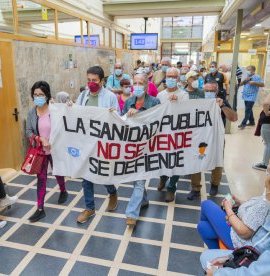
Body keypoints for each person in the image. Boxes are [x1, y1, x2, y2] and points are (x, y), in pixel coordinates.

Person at [198, 149, 270, 250]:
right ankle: (219, 260)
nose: (267, 172)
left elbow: (244, 233)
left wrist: (228, 209)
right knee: (203, 227)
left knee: (206, 204)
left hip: (239, 240)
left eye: (269, 169)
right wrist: (240, 202)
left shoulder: (268, 202)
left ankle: (230, 257)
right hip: (240, 229)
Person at [69, 66, 120, 223]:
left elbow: (118, 119)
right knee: (86, 177)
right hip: (86, 143)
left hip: (103, 143)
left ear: (102, 81)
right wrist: (71, 108)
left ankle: (112, 192)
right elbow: (77, 115)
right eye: (89, 80)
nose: (91, 83)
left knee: (103, 173)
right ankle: (89, 208)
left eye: (95, 81)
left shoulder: (110, 97)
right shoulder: (83, 95)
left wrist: (113, 113)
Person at [26, 81, 68, 222]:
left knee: (58, 172)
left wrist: (69, 107)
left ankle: (63, 190)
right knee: (41, 179)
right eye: (35, 94)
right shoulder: (32, 112)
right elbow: (28, 131)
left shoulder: (54, 109)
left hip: (55, 150)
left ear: (47, 95)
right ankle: (39, 209)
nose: (38, 97)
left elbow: (65, 124)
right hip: (40, 151)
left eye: (41, 94)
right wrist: (39, 139)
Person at [187, 82, 238, 200]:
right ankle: (195, 188)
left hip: (217, 138)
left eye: (211, 91)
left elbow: (234, 118)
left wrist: (222, 106)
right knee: (197, 159)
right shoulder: (198, 102)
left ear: (216, 92)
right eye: (206, 91)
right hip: (200, 138)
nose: (209, 93)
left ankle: (215, 184)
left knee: (217, 160)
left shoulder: (221, 102)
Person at [122, 73, 160, 226]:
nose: (137, 86)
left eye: (141, 83)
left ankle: (132, 214)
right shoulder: (129, 101)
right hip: (132, 146)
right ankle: (143, 200)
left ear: (146, 86)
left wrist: (140, 115)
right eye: (135, 83)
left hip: (147, 147)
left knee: (139, 180)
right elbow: (122, 122)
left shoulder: (154, 101)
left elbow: (158, 122)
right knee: (135, 177)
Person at [156, 67, 189, 199]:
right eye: (168, 76)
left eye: (173, 77)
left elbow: (187, 114)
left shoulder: (184, 95)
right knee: (162, 158)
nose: (170, 79)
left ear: (178, 79)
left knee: (176, 161)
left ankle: (171, 187)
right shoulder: (160, 95)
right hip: (163, 133)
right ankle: (163, 179)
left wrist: (177, 104)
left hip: (177, 134)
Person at [238, 65, 264, 129]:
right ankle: (252, 122)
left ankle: (243, 124)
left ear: (253, 70)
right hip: (245, 95)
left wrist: (254, 82)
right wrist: (245, 80)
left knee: (247, 110)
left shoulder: (257, 77)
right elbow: (240, 84)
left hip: (252, 96)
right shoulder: (247, 76)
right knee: (249, 109)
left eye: (248, 70)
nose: (247, 71)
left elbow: (262, 84)